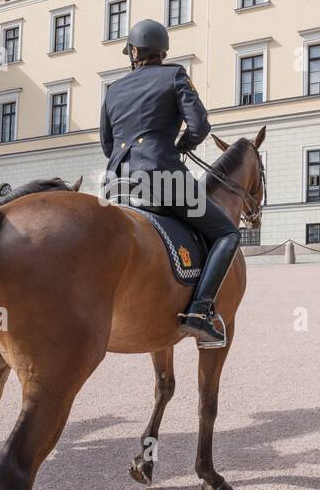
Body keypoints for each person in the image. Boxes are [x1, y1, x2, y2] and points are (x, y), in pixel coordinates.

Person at [100, 19, 237, 348]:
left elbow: (107, 144)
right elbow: (200, 126)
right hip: (163, 178)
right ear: (161, 52)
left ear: (133, 52)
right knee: (227, 233)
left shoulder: (113, 90)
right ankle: (199, 313)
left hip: (116, 185)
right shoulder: (174, 75)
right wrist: (180, 146)